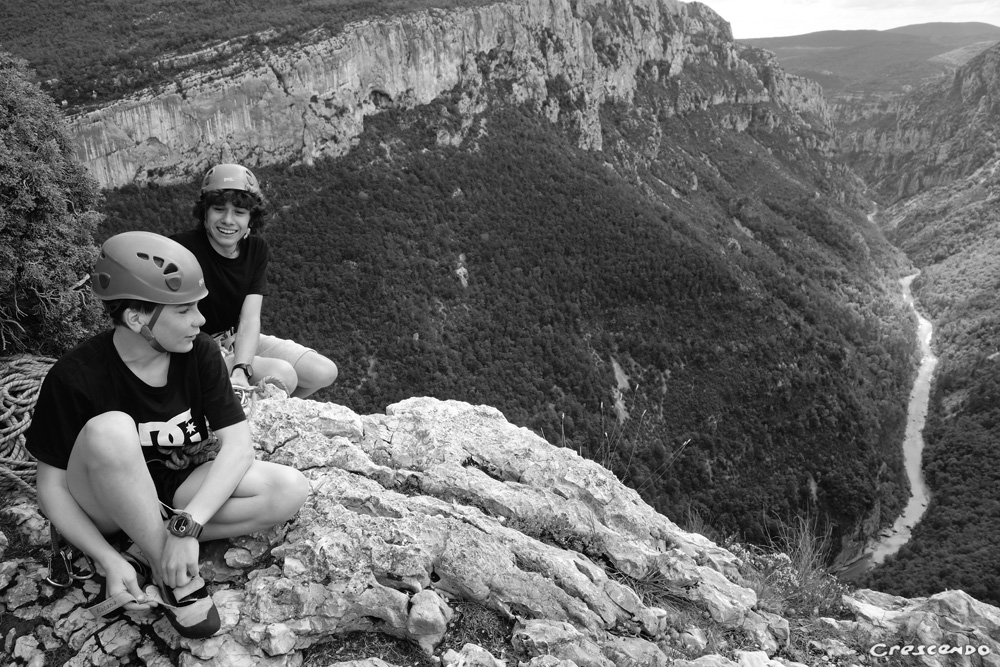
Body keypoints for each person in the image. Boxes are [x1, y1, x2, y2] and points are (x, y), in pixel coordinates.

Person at [25, 231, 310, 639]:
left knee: (289, 489)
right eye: (185, 311)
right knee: (111, 428)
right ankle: (170, 573)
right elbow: (50, 487)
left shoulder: (200, 353)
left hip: (175, 492)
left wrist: (188, 526)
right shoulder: (75, 377)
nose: (201, 320)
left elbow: (238, 444)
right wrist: (107, 559)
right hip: (105, 503)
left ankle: (151, 545)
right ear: (137, 318)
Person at [171, 163, 338, 398]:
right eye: (219, 209)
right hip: (194, 345)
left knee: (324, 372)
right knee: (284, 375)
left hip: (235, 336)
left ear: (251, 218)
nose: (228, 220)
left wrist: (241, 367)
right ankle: (243, 413)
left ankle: (256, 411)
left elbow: (249, 318)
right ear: (205, 214)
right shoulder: (181, 249)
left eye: (239, 212)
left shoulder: (256, 249)